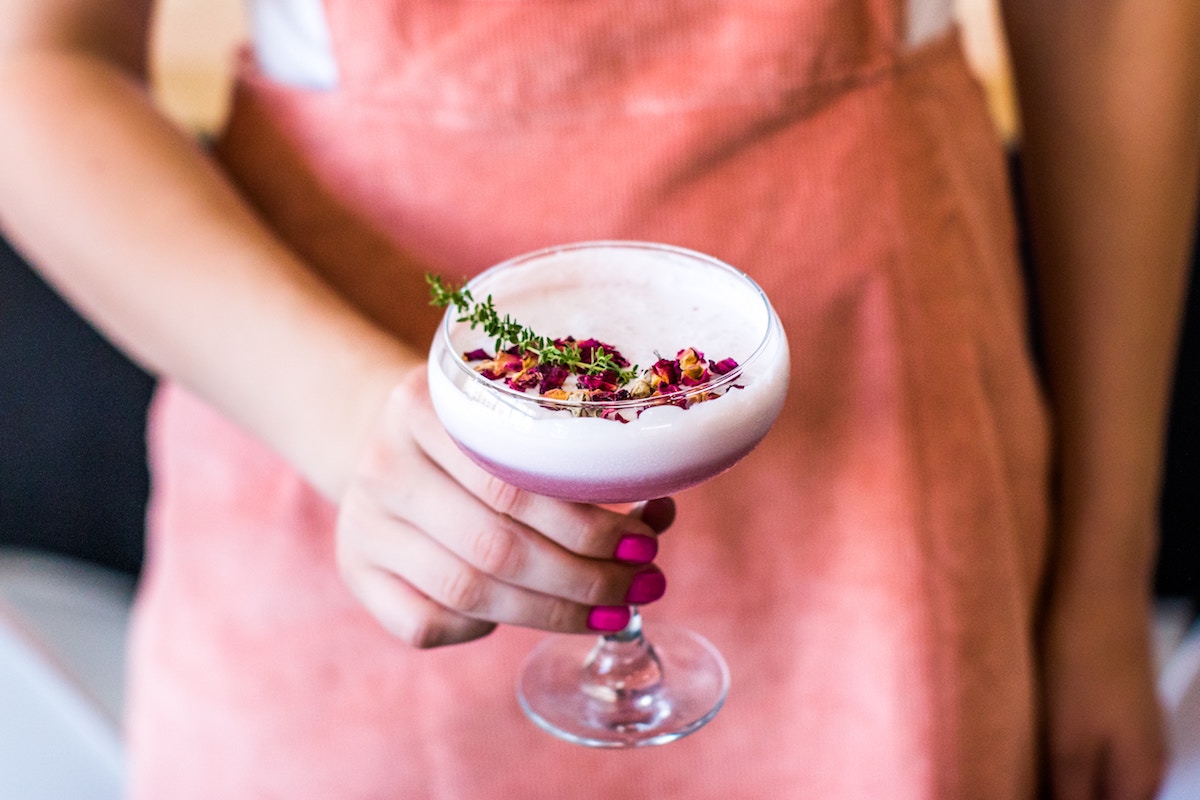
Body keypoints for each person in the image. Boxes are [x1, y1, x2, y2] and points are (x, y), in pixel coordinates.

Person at [0, 0, 1196, 797]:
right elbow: (35, 62)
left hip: (878, 503)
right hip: (332, 467)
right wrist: (352, 423)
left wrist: (1102, 566)